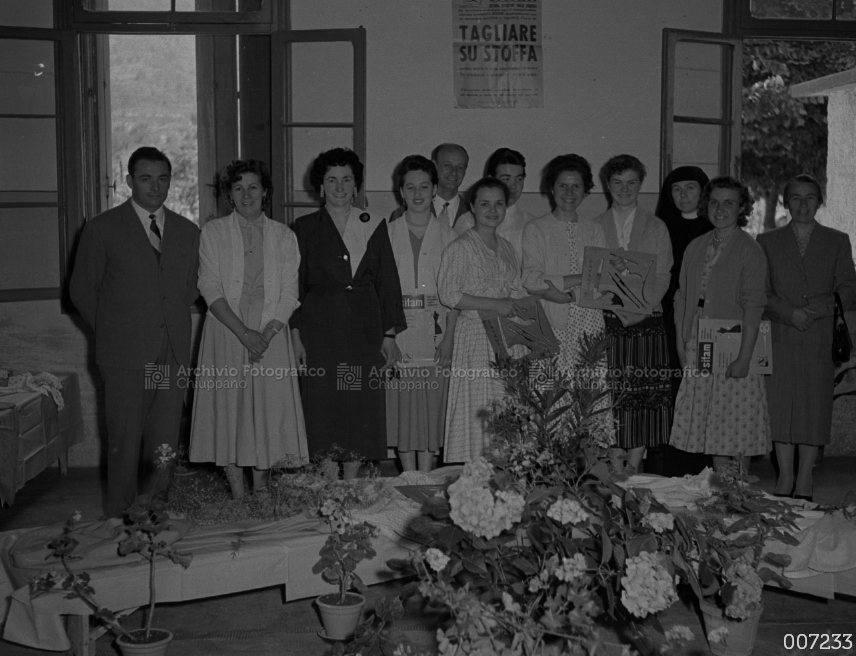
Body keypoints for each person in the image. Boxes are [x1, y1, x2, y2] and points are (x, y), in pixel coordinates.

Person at [70, 146, 200, 517]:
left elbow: (190, 289)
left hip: (172, 350)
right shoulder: (102, 228)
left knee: (164, 441)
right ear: (129, 181)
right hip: (123, 354)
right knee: (125, 441)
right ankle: (119, 516)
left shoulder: (188, 231)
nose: (155, 187)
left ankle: (155, 513)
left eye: (163, 179)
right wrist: (114, 330)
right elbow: (81, 290)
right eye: (146, 179)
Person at [189, 159, 308, 498]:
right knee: (229, 407)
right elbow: (209, 286)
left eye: (253, 187)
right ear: (229, 194)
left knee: (267, 410)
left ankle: (261, 487)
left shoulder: (284, 236)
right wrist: (244, 333)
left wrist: (266, 335)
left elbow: (290, 293)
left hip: (271, 335)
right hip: (227, 331)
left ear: (265, 192)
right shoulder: (213, 233)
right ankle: (238, 492)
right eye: (238, 188)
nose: (246, 195)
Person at [291, 148, 406, 463]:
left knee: (359, 404)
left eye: (346, 180)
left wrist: (390, 335)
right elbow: (294, 286)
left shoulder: (373, 223)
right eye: (332, 180)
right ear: (321, 186)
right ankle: (327, 482)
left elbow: (388, 282)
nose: (339, 188)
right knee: (321, 404)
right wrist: (295, 335)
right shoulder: (303, 227)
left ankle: (352, 485)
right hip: (318, 328)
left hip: (364, 330)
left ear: (356, 185)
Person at [757, 174, 856, 501]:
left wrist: (814, 309)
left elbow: (848, 289)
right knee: (781, 407)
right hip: (781, 334)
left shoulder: (838, 240)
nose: (802, 204)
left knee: (814, 408)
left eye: (810, 197)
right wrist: (789, 312)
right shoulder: (766, 241)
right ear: (785, 201)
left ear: (820, 201)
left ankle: (805, 481)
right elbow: (761, 291)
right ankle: (784, 478)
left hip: (819, 335)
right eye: (795, 197)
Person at [670, 176, 770, 472]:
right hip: (698, 339)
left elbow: (754, 308)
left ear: (741, 208)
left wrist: (744, 358)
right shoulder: (696, 246)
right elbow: (682, 297)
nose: (720, 209)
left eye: (729, 203)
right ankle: (720, 497)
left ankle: (738, 494)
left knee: (737, 423)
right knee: (712, 424)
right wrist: (681, 341)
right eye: (714, 202)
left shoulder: (749, 250)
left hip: (736, 345)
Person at [521, 154, 613, 442]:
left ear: (586, 190)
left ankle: (585, 474)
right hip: (550, 326)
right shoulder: (536, 229)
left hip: (589, 326)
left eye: (576, 187)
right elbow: (532, 280)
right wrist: (575, 281)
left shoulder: (594, 229)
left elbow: (604, 279)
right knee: (549, 402)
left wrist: (558, 284)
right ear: (551, 188)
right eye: (563, 186)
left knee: (588, 401)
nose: (569, 193)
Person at [438, 177, 529, 463]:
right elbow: (450, 295)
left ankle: (505, 477)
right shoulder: (460, 247)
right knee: (478, 407)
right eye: (485, 204)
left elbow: (516, 291)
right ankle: (475, 479)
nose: (492, 210)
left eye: (498, 204)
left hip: (507, 339)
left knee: (506, 404)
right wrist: (496, 304)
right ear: (473, 208)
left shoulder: (507, 248)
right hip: (476, 337)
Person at [593, 155, 673, 472]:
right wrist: (612, 306)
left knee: (643, 394)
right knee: (612, 392)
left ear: (641, 184)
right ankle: (614, 463)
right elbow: (592, 278)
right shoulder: (595, 225)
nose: (624, 189)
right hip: (608, 321)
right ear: (607, 185)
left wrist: (639, 310)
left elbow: (664, 275)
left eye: (631, 182)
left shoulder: (656, 226)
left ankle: (636, 465)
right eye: (617, 183)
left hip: (647, 320)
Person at [386, 155, 458, 471]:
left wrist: (449, 339)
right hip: (399, 332)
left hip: (436, 331)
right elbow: (380, 293)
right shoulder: (386, 234)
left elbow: (454, 296)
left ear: (434, 190)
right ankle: (407, 477)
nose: (417, 194)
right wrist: (387, 337)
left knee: (430, 404)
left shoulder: (450, 236)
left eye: (424, 187)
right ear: (400, 191)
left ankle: (426, 478)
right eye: (410, 187)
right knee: (402, 403)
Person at [650, 166, 713, 476]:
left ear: (703, 192)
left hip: (705, 320)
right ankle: (671, 465)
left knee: (704, 391)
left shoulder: (714, 228)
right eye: (677, 189)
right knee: (673, 391)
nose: (684, 195)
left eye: (691, 188)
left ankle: (703, 465)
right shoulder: (659, 228)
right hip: (666, 319)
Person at [485, 147, 534, 266]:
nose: (513, 186)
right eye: (506, 179)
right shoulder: (469, 221)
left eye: (519, 179)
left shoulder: (532, 225)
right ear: (491, 180)